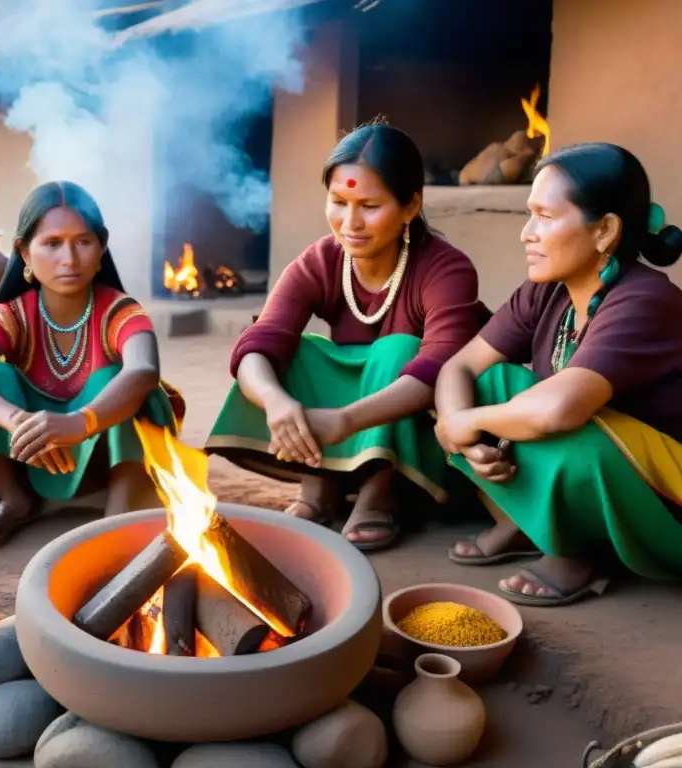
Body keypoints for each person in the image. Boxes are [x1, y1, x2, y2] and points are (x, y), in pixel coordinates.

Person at [206, 122, 488, 552]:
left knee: (399, 349)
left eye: (370, 205)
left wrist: (344, 421)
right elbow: (259, 343)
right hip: (340, 430)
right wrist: (277, 403)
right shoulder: (321, 259)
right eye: (339, 202)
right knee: (298, 352)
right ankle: (317, 487)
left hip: (425, 435)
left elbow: (438, 370)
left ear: (411, 205)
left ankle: (382, 490)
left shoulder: (446, 269)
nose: (350, 222)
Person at [435, 142, 682, 607]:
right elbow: (460, 365)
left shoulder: (646, 300)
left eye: (545, 217)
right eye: (530, 215)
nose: (527, 233)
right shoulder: (547, 293)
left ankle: (573, 552)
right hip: (607, 469)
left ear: (605, 230)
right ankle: (525, 522)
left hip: (668, 504)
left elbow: (560, 408)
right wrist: (458, 429)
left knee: (569, 422)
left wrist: (461, 424)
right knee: (490, 387)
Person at [0, 181, 185, 547]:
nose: (69, 258)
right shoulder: (11, 315)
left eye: (83, 241)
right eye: (52, 243)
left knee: (128, 386)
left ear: (101, 249)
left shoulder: (120, 310)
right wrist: (18, 422)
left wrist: (78, 423)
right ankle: (17, 501)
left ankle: (117, 516)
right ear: (24, 251)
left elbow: (144, 369)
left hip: (101, 452)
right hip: (33, 454)